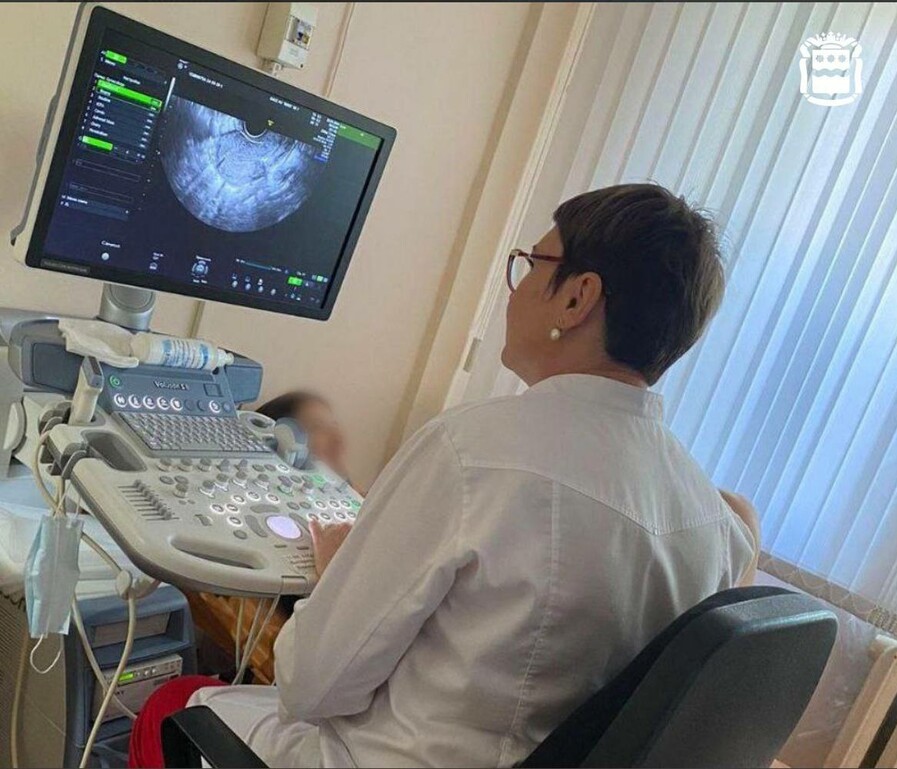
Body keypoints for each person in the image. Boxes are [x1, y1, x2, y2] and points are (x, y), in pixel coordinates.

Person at [132, 184, 759, 768]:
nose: (514, 289)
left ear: (576, 298)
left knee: (174, 706)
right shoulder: (713, 523)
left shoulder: (470, 452)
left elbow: (310, 685)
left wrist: (335, 581)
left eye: (530, 265)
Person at [184, 390, 352, 686]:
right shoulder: (246, 549)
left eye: (334, 426)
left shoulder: (356, 509)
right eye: (318, 428)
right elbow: (290, 672)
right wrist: (332, 577)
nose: (338, 439)